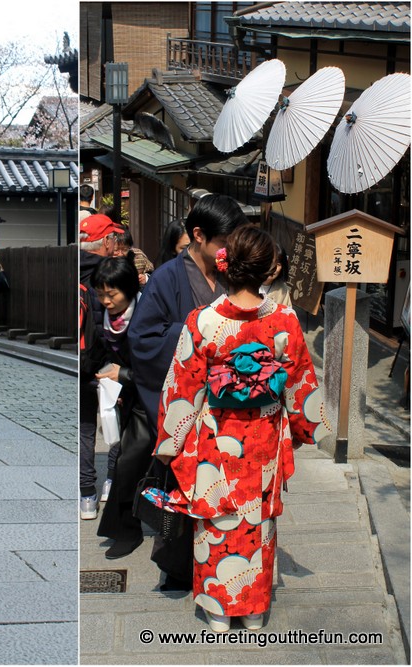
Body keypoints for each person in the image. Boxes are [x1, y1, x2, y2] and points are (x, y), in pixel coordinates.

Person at [153, 225, 329, 632]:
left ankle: (217, 610)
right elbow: (301, 383)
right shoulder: (284, 321)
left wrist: (170, 442)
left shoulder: (203, 321)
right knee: (258, 524)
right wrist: (303, 431)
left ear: (225, 267)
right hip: (264, 438)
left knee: (215, 520)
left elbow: (182, 389)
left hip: (215, 439)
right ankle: (252, 610)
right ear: (269, 270)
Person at [128, 194, 248, 591]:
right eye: (224, 242)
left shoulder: (231, 273)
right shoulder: (166, 277)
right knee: (185, 487)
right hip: (188, 406)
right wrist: (197, 335)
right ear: (198, 235)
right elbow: (143, 339)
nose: (230, 250)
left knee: (225, 490)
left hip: (228, 405)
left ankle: (222, 564)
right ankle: (180, 567)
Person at [84, 254, 150, 559]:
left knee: (130, 462)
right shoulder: (102, 313)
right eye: (101, 294)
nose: (106, 301)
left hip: (157, 395)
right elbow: (96, 350)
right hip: (130, 395)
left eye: (113, 294)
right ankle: (125, 528)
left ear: (129, 289)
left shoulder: (148, 312)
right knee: (127, 461)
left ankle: (135, 528)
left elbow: (161, 364)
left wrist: (122, 374)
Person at [79, 214, 124, 521]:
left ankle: (86, 498)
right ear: (106, 242)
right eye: (113, 238)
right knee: (114, 422)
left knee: (85, 429)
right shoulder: (113, 273)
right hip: (108, 362)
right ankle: (110, 482)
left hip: (81, 362)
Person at [261, 243, 292, 307]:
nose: (273, 268)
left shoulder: (282, 289)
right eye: (269, 262)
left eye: (278, 264)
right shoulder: (247, 283)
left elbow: (287, 313)